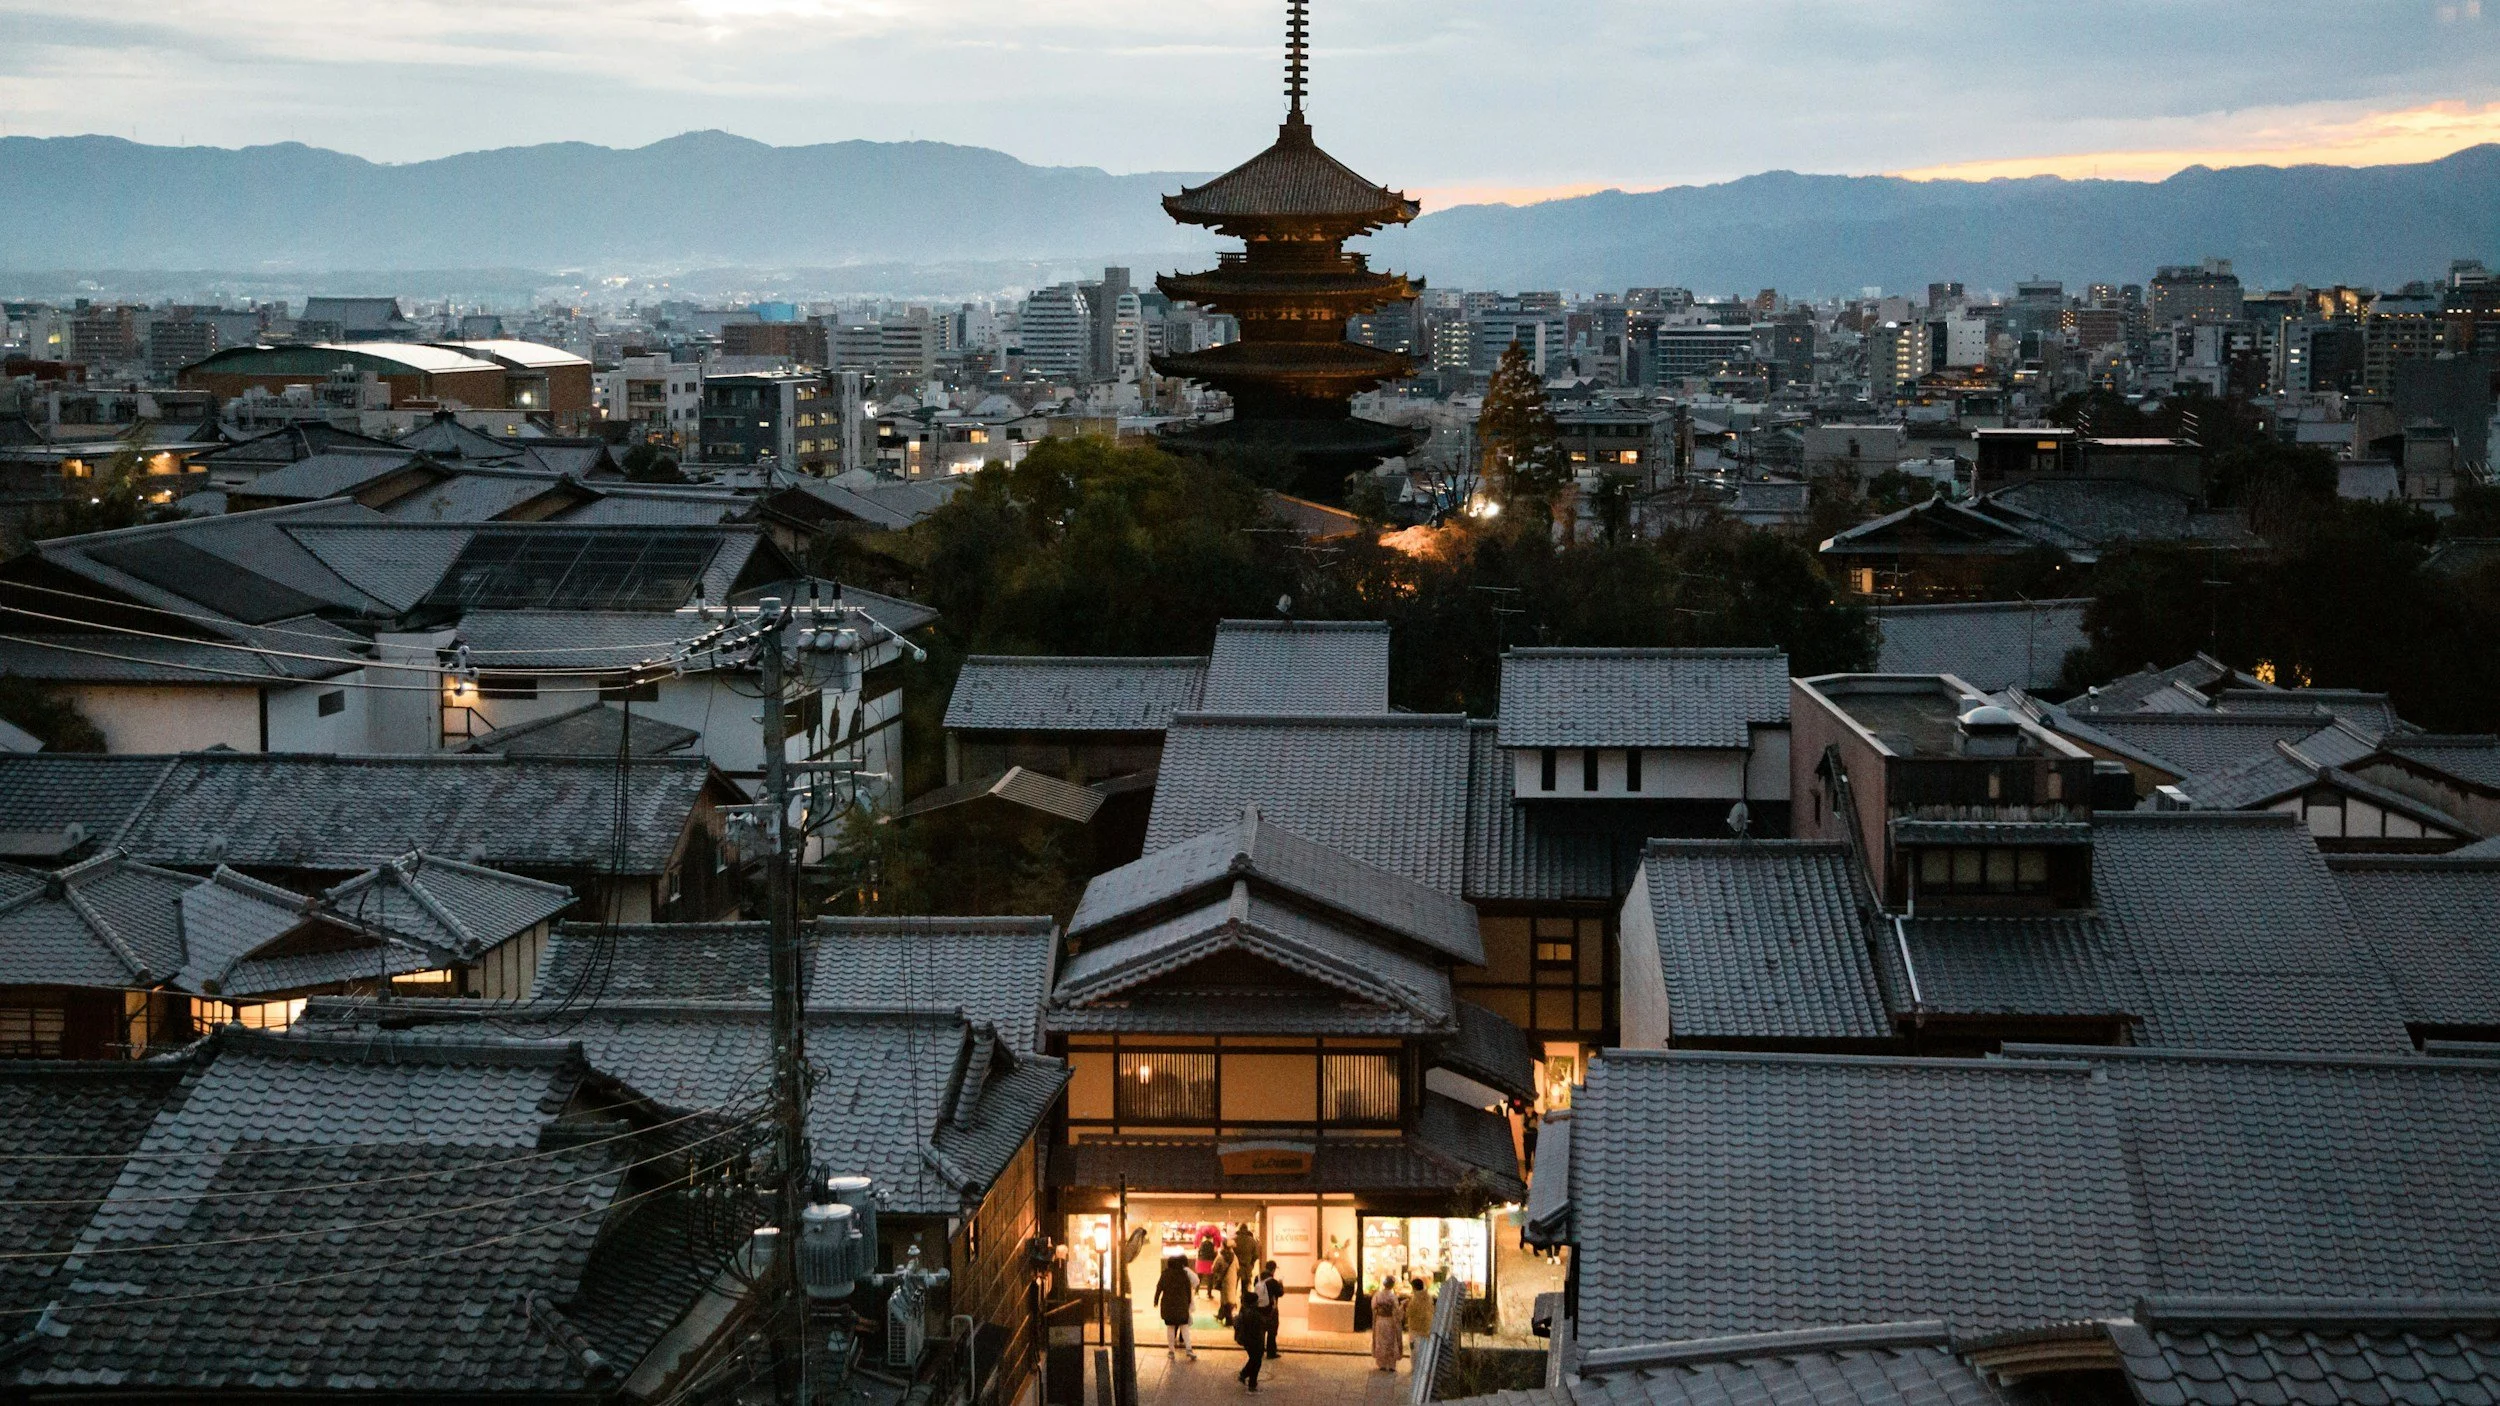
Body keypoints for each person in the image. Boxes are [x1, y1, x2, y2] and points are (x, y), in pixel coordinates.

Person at [1153, 1255, 1198, 1361]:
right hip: (1181, 1304)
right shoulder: (1183, 1274)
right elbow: (1188, 1290)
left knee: (1170, 1327)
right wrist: (1188, 1302)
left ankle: (1171, 1351)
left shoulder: (1165, 1274)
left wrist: (1156, 1300)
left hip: (1168, 1305)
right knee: (1184, 1326)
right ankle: (1189, 1349)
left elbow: (1159, 1288)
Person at [1233, 1273, 1269, 1391]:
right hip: (1254, 1341)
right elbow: (1261, 1324)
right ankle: (1251, 1383)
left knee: (1254, 1359)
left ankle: (1244, 1376)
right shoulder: (1253, 1314)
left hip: (1247, 1341)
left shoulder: (1244, 1310)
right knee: (1256, 1361)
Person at [1369, 1280, 1404, 1371]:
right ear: (1392, 1285)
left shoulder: (1377, 1295)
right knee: (1390, 1342)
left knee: (1381, 1341)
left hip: (1380, 1320)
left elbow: (1373, 1307)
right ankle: (1391, 1365)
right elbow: (1396, 1311)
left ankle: (1382, 1364)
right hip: (1390, 1321)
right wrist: (1403, 1306)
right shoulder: (1393, 1297)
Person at [1405, 1276, 1436, 1363]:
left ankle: (1416, 1369)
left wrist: (1405, 1306)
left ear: (1413, 1287)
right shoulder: (1429, 1297)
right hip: (1427, 1327)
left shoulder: (1414, 1300)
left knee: (1415, 1350)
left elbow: (1409, 1313)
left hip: (1416, 1329)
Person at [1259, 1261, 1284, 1360]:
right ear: (1273, 1269)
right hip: (1271, 1309)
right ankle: (1271, 1352)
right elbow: (1280, 1293)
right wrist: (1281, 1284)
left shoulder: (1258, 1278)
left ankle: (1259, 1351)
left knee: (1261, 1331)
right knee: (1272, 1331)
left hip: (1260, 1308)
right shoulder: (1273, 1282)